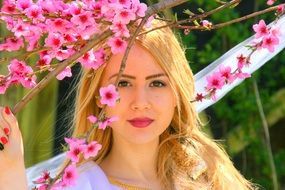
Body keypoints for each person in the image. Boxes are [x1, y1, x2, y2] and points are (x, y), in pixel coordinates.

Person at [0, 20, 256, 190]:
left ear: (177, 92)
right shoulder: (81, 185)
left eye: (157, 84)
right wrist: (10, 172)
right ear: (99, 95)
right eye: (122, 84)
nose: (140, 103)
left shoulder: (208, 174)